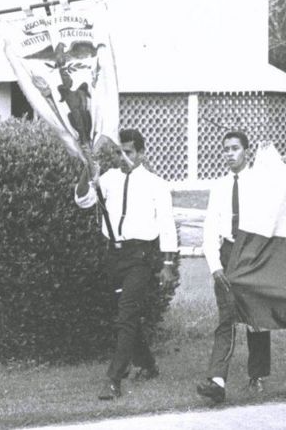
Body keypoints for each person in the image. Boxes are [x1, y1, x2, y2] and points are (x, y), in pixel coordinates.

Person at [75, 129, 178, 400]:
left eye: (129, 152)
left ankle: (113, 380)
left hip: (140, 257)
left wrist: (168, 264)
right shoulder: (109, 178)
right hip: (115, 256)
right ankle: (148, 364)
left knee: (127, 314)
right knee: (125, 316)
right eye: (120, 151)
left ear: (142, 153)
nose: (123, 157)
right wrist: (87, 170)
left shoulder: (156, 184)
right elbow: (83, 200)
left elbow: (167, 225)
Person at [196, 131, 272, 404]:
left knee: (256, 319)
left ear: (247, 151)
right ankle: (217, 379)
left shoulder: (262, 181)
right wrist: (216, 266)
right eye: (225, 149)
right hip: (228, 253)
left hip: (253, 252)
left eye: (235, 148)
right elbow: (210, 229)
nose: (229, 153)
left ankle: (258, 374)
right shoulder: (219, 186)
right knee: (227, 318)